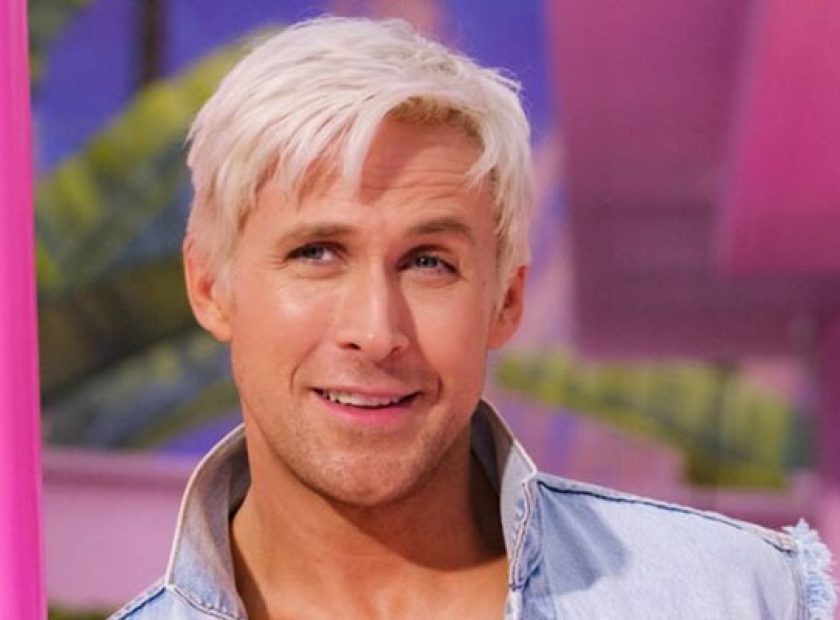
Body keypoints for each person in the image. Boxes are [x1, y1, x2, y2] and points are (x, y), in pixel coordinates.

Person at [112, 16, 836, 620]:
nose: (376, 332)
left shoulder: (734, 598)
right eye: (317, 252)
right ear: (209, 286)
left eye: (429, 262)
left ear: (506, 300)